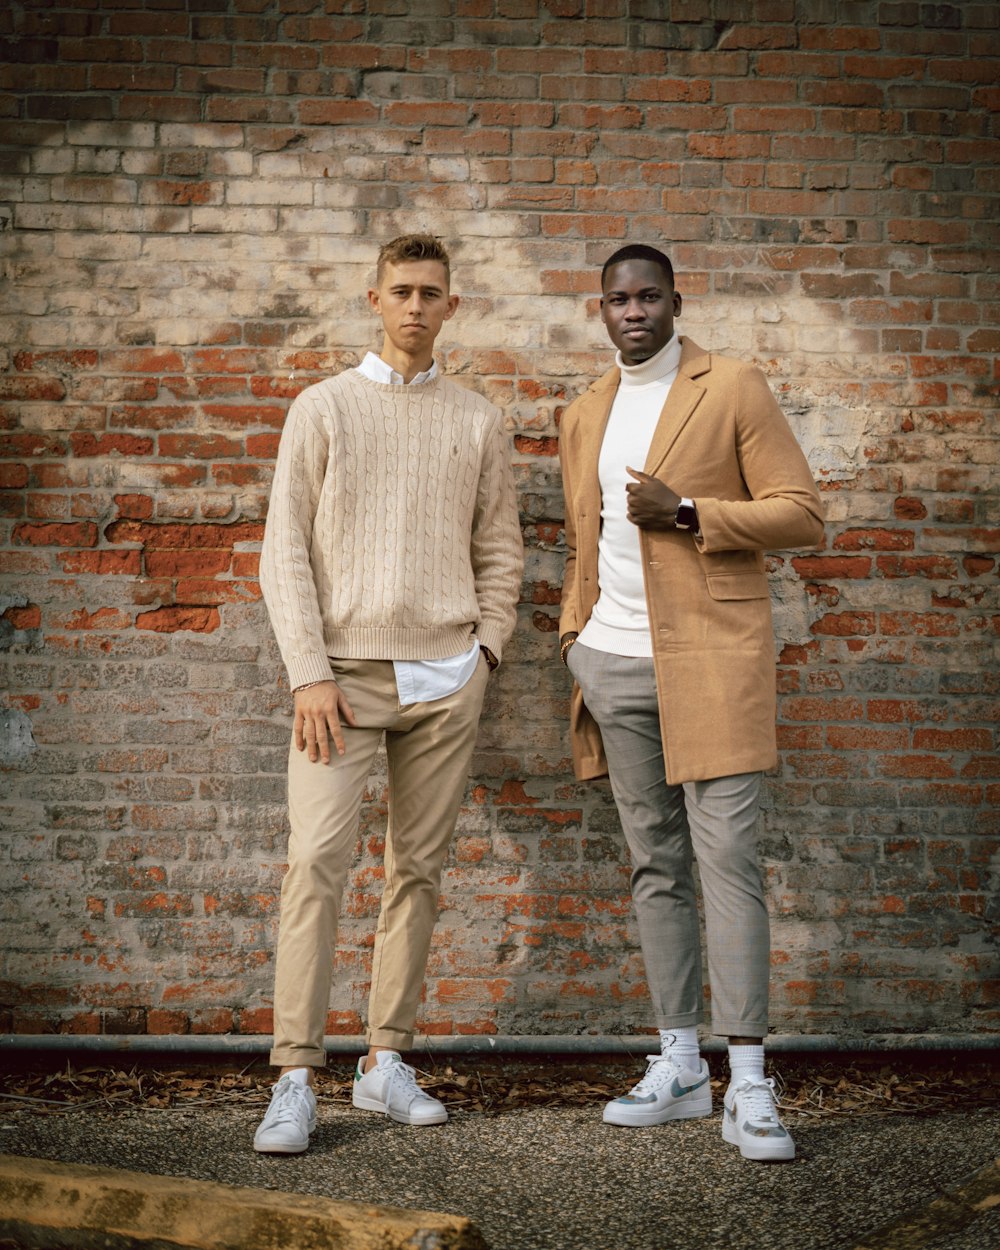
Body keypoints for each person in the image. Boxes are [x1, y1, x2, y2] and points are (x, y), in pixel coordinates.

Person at [254, 233, 523, 1153]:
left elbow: (500, 549)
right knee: (316, 867)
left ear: (452, 307)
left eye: (432, 293)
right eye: (401, 291)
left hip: (447, 677)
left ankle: (383, 1062)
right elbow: (283, 551)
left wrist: (485, 654)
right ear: (374, 298)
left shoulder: (477, 419)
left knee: (418, 872)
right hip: (341, 680)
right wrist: (309, 674)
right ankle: (296, 1074)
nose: (415, 306)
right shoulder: (322, 408)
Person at [558, 244, 824, 1162]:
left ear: (675, 301)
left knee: (729, 867)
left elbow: (803, 514)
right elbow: (581, 542)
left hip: (713, 663)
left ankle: (748, 1080)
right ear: (601, 310)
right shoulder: (584, 410)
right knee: (655, 867)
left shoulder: (732, 386)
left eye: (648, 297)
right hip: (616, 666)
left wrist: (687, 513)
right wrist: (575, 639)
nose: (632, 312)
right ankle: (679, 1064)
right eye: (616, 300)